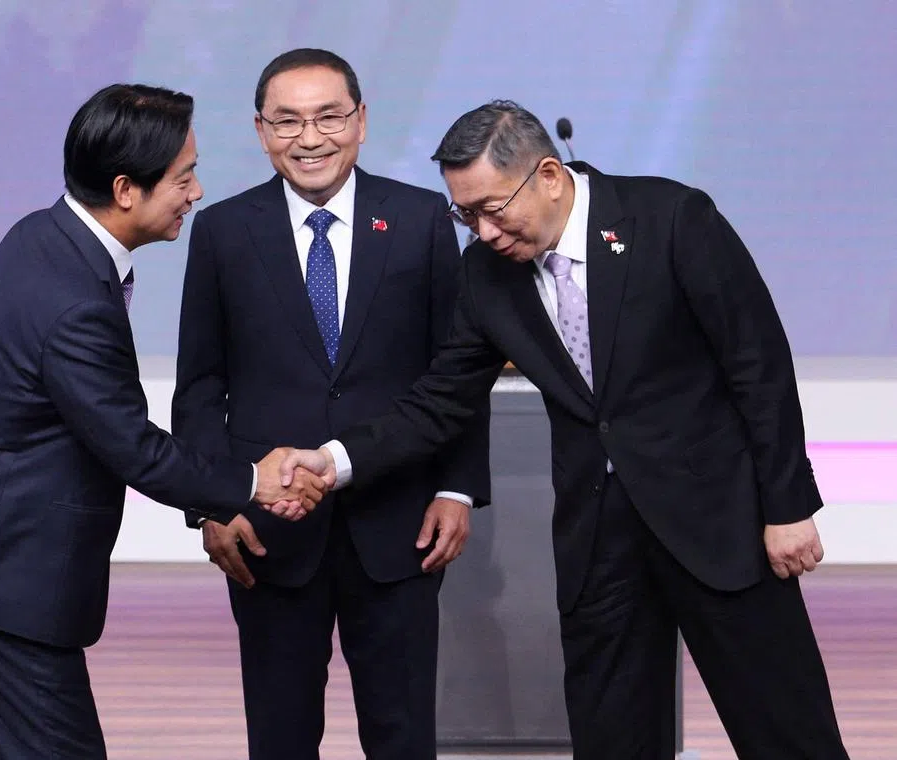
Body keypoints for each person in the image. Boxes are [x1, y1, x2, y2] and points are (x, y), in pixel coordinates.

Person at [274, 100, 849, 760]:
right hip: (597, 541)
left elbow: (758, 365)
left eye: (493, 208)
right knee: (612, 740)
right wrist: (336, 460)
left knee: (786, 731)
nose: (483, 232)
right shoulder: (487, 275)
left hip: (720, 523)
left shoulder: (670, 219)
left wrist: (787, 506)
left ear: (548, 175)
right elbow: (440, 401)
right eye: (466, 216)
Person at [0, 83, 324, 759]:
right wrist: (254, 480)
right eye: (183, 177)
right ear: (126, 189)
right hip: (7, 581)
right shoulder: (74, 302)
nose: (196, 191)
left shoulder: (43, 234)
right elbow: (133, 447)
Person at [171, 49, 490, 760]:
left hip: (401, 519)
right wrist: (213, 503)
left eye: (328, 117)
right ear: (260, 132)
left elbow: (457, 372)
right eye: (287, 121)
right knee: (280, 734)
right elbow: (199, 384)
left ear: (362, 121)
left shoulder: (420, 219)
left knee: (402, 730)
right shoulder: (223, 230)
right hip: (268, 529)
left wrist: (457, 487)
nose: (309, 138)